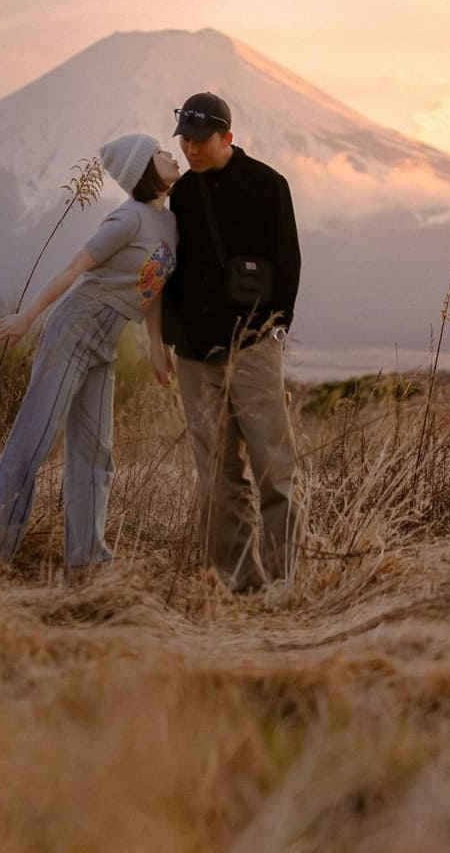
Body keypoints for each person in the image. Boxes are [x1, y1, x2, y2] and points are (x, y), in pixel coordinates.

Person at [0, 134, 179, 571]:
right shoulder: (127, 219)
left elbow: (153, 290)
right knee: (35, 438)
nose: (172, 155)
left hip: (105, 342)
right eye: (161, 152)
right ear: (144, 168)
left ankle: (87, 562)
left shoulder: (170, 224)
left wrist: (156, 351)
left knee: (95, 452)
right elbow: (75, 268)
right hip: (73, 329)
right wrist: (26, 318)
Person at [157, 92, 304, 592]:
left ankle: (286, 581)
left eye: (200, 140)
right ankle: (238, 584)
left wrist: (275, 329)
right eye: (184, 140)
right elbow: (169, 272)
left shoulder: (268, 186)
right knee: (217, 477)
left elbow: (288, 262)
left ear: (228, 138)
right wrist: (165, 341)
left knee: (273, 470)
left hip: (254, 347)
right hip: (196, 356)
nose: (191, 150)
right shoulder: (182, 196)